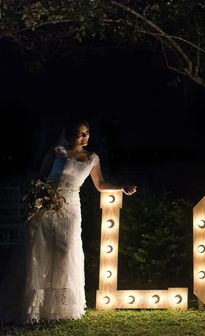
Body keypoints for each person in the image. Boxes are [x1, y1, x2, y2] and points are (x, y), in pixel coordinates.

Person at [1, 119, 136, 324]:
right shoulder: (57, 152)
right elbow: (40, 178)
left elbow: (100, 184)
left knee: (65, 252)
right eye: (80, 133)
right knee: (41, 252)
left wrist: (121, 187)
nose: (84, 137)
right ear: (70, 134)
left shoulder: (92, 158)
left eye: (87, 133)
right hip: (46, 205)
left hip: (71, 208)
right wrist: (40, 197)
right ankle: (37, 307)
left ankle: (60, 307)